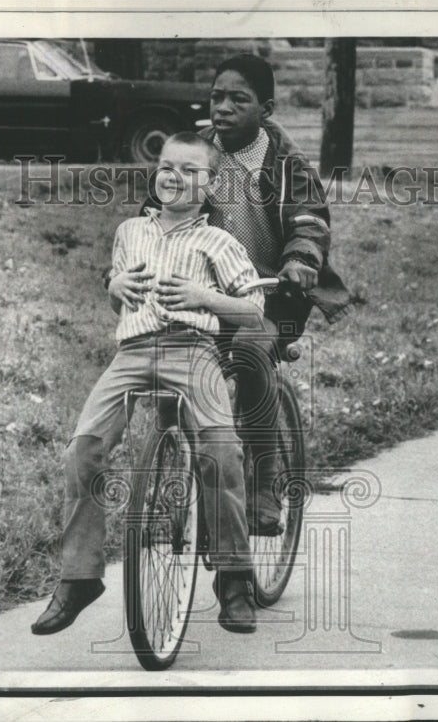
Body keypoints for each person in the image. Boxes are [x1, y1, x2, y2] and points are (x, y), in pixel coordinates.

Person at [32, 132, 265, 636]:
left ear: (210, 184)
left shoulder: (218, 242)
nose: (171, 176)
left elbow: (252, 308)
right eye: (165, 166)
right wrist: (114, 287)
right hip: (133, 353)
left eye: (187, 170)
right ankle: (79, 577)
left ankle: (233, 577)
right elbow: (121, 295)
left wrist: (207, 298)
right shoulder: (130, 231)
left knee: (221, 450)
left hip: (192, 351)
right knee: (82, 450)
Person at [145, 53, 350, 535]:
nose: (224, 107)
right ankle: (168, 473)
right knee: (168, 363)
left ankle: (263, 477)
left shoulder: (287, 162)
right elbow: (155, 211)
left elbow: (309, 219)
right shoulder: (196, 154)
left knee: (250, 351)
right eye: (217, 97)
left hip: (272, 294)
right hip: (203, 294)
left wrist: (300, 260)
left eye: (239, 99)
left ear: (267, 108)